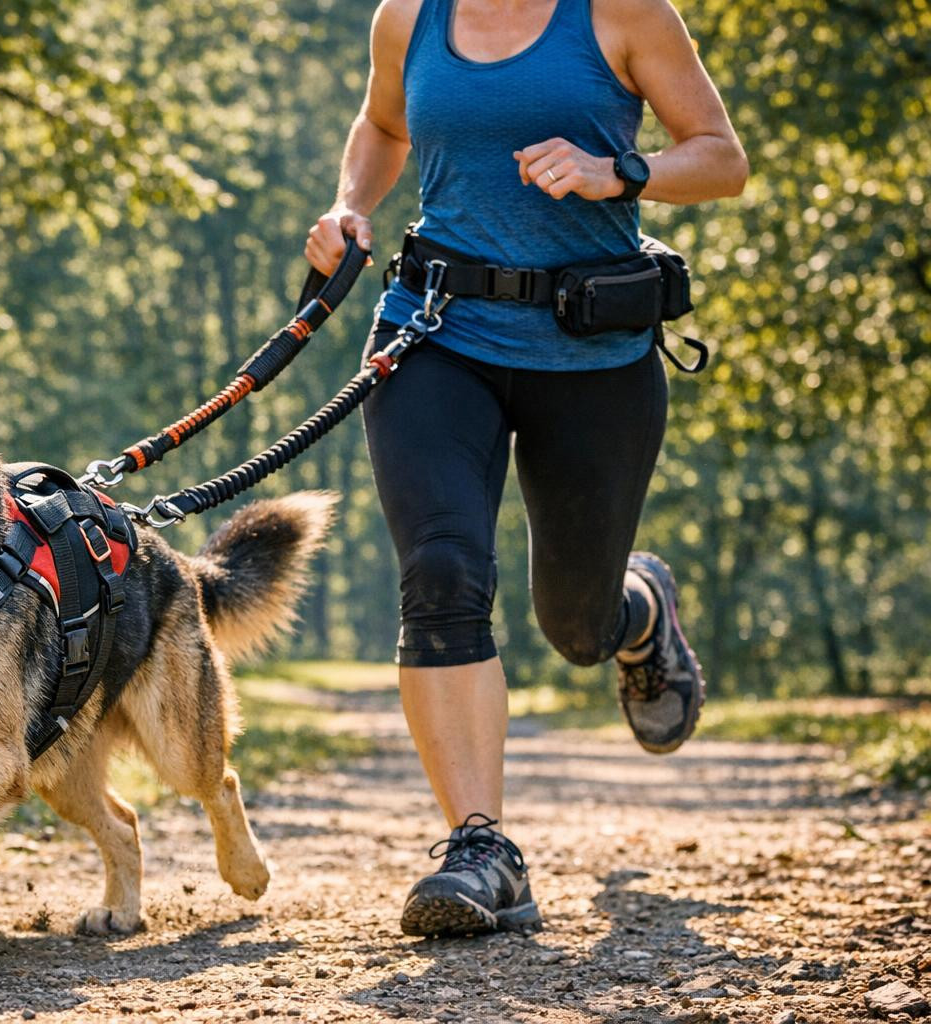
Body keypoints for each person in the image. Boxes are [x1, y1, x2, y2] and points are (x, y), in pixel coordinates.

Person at [305, 0, 746, 937]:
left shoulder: (625, 14)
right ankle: (479, 850)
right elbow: (382, 125)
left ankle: (636, 612)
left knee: (575, 628)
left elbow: (720, 155)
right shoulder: (408, 18)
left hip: (592, 352)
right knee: (442, 570)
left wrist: (617, 172)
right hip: (434, 334)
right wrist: (351, 204)